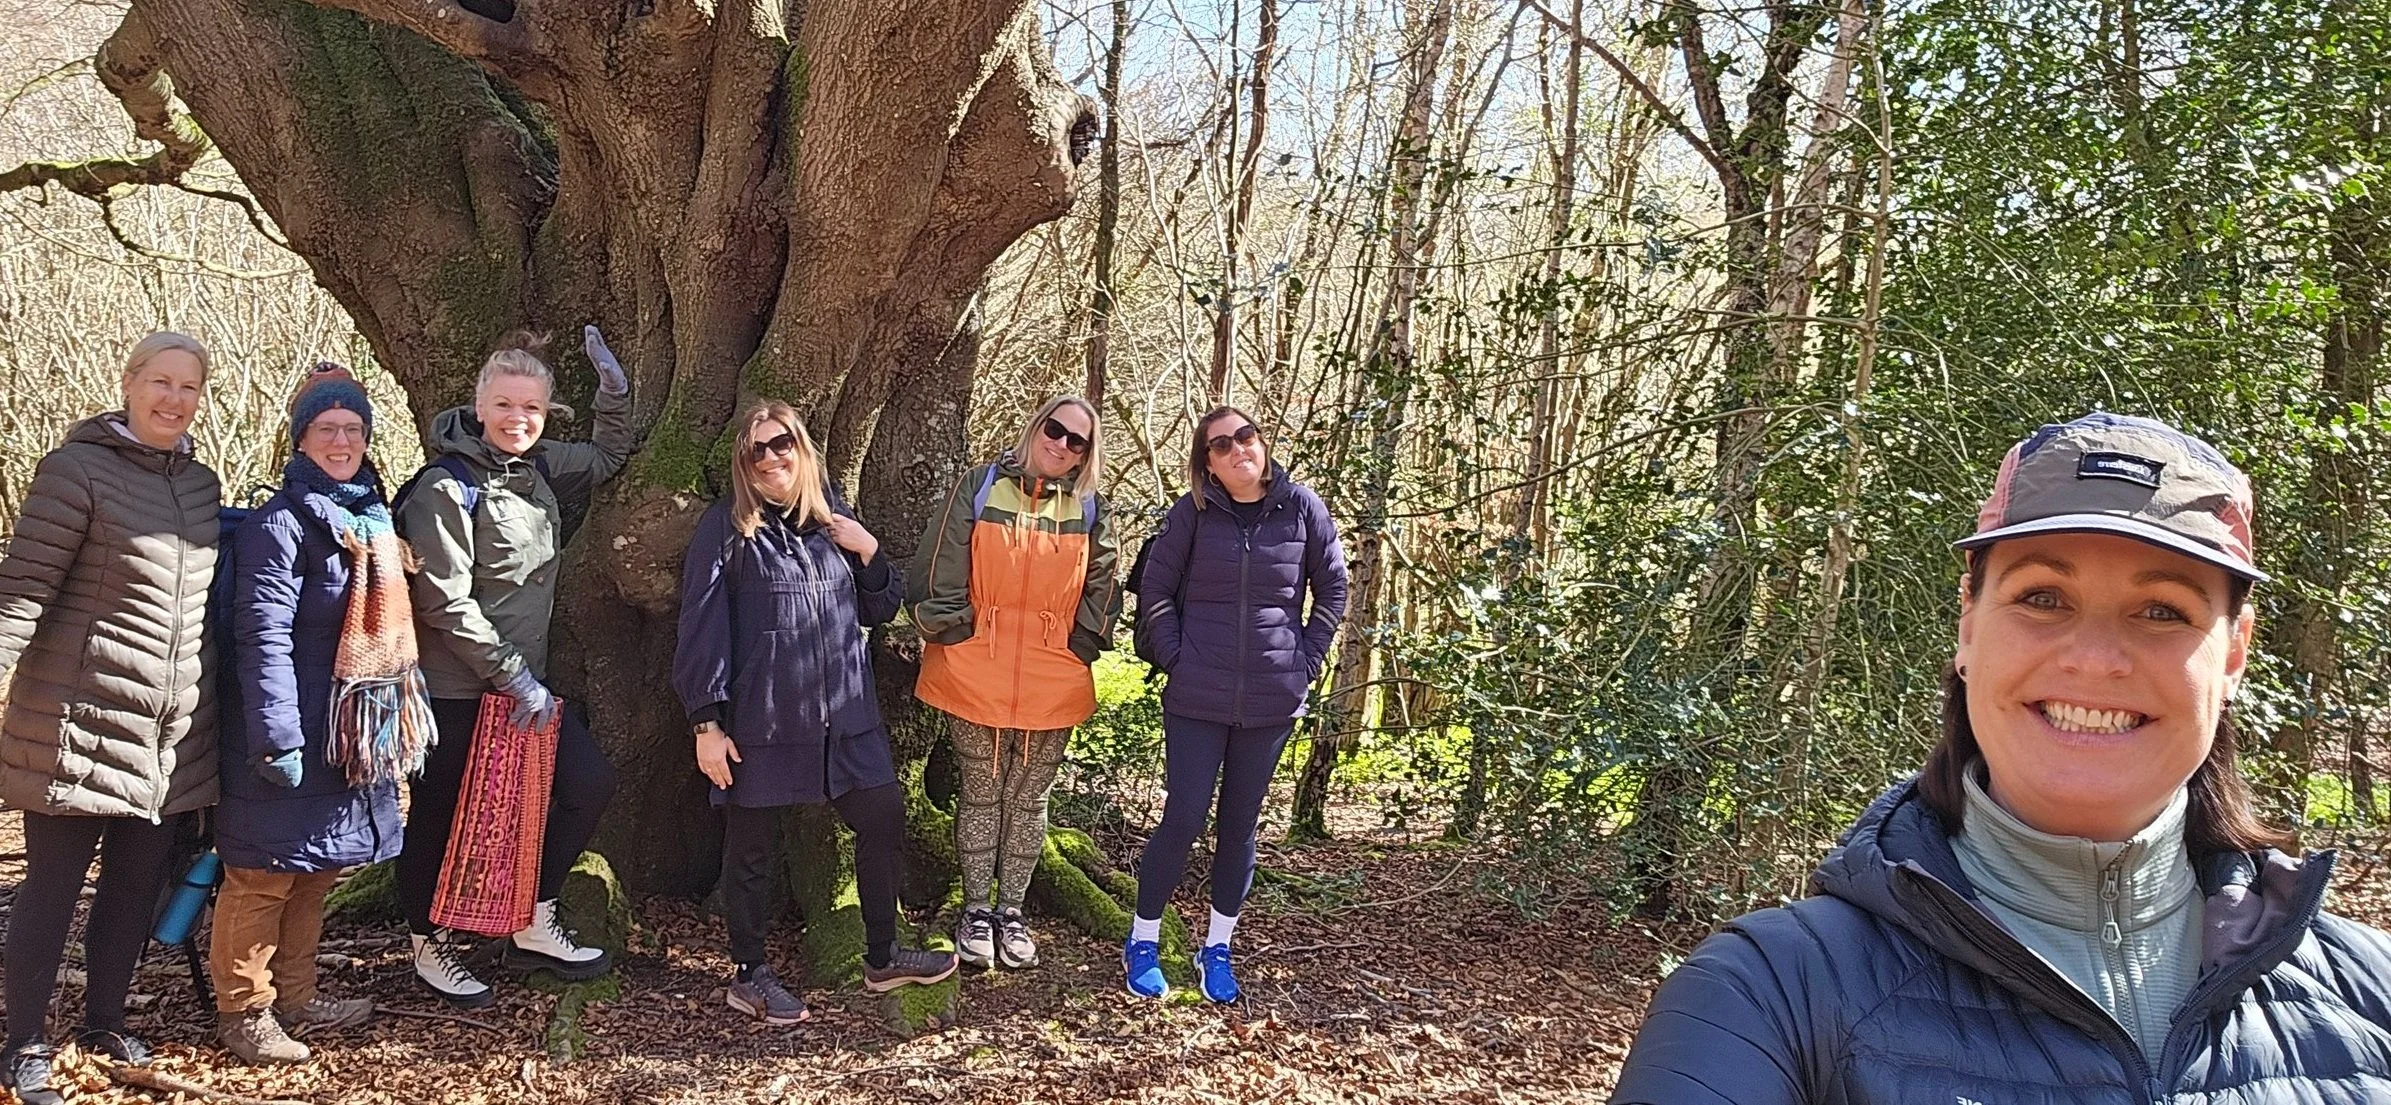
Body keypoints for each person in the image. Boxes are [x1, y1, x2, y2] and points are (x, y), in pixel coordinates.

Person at [1611, 412, 2391, 1103]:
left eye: (2162, 610)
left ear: (2232, 656)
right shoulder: (1769, 997)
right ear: (1969, 627)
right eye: (2042, 597)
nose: (2093, 659)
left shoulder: (2371, 995)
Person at [673, 401, 960, 1023]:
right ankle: (749, 975)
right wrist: (706, 723)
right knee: (751, 849)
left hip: (846, 718)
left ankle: (882, 956)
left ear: (802, 449)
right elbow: (701, 628)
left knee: (883, 818)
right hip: (765, 719)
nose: (772, 458)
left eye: (783, 444)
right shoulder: (727, 527)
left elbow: (879, 610)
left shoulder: (832, 519)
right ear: (742, 465)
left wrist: (870, 551)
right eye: (757, 451)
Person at [0, 333, 223, 1105]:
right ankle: (24, 1040)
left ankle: (102, 1021)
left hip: (169, 734)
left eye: (187, 387)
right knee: (53, 887)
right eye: (159, 382)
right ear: (128, 385)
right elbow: (24, 586)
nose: (172, 398)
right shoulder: (74, 471)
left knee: (134, 885)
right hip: (75, 720)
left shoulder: (200, 485)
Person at [393, 327, 635, 1007]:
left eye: (531, 408)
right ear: (478, 403)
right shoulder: (447, 485)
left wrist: (613, 394)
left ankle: (532, 913)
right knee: (439, 817)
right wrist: (513, 675)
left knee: (588, 783)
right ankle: (426, 942)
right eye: (505, 405)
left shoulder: (539, 466)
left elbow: (610, 456)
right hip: (459, 687)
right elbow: (444, 600)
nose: (518, 419)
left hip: (521, 686)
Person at [213, 365, 431, 1063]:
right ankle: (244, 1011)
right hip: (291, 726)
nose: (341, 440)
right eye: (326, 428)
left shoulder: (371, 518)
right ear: (301, 437)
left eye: (353, 429)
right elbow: (261, 633)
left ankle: (298, 994)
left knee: (315, 866)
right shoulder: (280, 524)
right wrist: (276, 735)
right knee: (262, 871)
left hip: (350, 730)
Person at [1121, 408, 1346, 1003]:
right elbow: (1155, 589)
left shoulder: (1303, 509)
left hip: (1272, 699)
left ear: (1262, 442)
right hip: (1197, 695)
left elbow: (1334, 588)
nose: (1236, 449)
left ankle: (1217, 946)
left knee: (1239, 827)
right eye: (1220, 446)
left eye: (1244, 436)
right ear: (1209, 464)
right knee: (1185, 816)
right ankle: (1143, 938)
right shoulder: (1192, 514)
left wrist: (1305, 659)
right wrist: (1178, 656)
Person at [909, 396, 1121, 970]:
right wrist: (952, 633)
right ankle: (976, 910)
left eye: (1078, 441)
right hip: (975, 664)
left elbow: (1103, 583)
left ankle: (1012, 913)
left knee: (1028, 800)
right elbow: (938, 564)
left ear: (1086, 455)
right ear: (1036, 426)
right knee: (982, 790)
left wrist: (1083, 646)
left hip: (1055, 673)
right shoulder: (979, 487)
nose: (1062, 446)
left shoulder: (1089, 507)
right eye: (1057, 430)